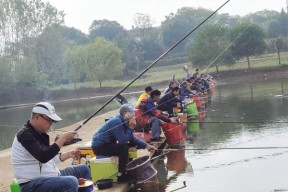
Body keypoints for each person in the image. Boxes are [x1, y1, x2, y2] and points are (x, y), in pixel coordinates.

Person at [11, 102, 90, 192]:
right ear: (37, 117)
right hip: (31, 184)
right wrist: (63, 139)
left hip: (53, 175)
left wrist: (69, 154)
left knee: (84, 169)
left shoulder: (41, 134)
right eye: (49, 120)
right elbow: (43, 157)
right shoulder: (24, 134)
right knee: (71, 182)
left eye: (53, 121)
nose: (51, 124)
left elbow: (49, 157)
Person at [91, 103, 156, 183]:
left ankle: (127, 169)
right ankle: (121, 175)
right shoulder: (117, 121)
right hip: (99, 147)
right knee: (123, 148)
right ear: (125, 113)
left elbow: (132, 139)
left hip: (107, 145)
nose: (134, 115)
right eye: (132, 113)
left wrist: (147, 146)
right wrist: (131, 128)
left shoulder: (124, 121)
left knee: (131, 145)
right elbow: (122, 141)